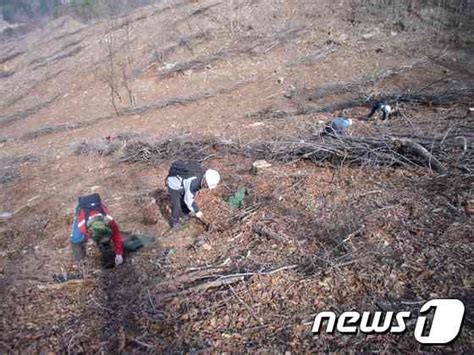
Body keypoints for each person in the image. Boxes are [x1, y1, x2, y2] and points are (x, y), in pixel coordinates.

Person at [70, 193, 124, 267]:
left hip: (98, 207)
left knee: (104, 240)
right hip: (83, 210)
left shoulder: (109, 221)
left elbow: (116, 235)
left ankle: (107, 256)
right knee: (75, 239)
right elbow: (83, 236)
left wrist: (119, 254)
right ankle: (81, 263)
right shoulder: (82, 226)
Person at [166, 160, 221, 229]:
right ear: (205, 180)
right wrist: (197, 211)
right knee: (176, 204)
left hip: (183, 184)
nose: (206, 187)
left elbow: (189, 194)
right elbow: (188, 199)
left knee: (183, 199)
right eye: (207, 185)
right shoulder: (194, 182)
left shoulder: (201, 175)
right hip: (174, 184)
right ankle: (174, 222)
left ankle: (183, 214)